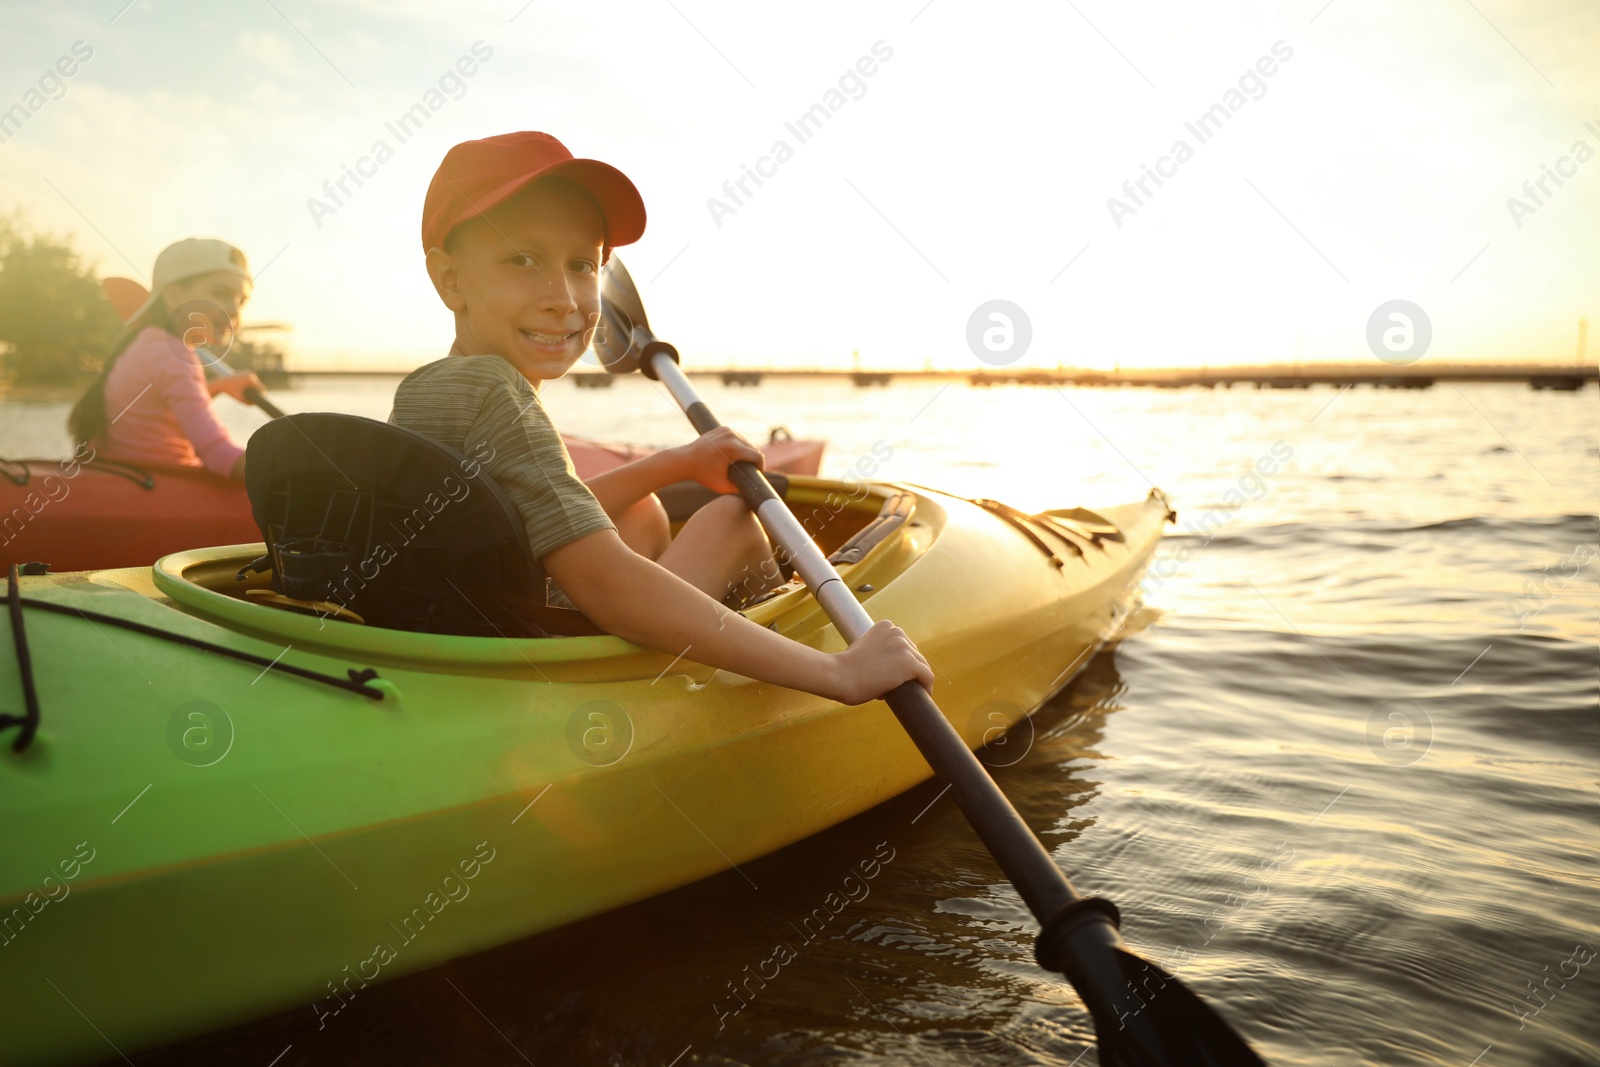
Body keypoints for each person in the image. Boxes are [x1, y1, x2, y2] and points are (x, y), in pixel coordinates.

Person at [390, 131, 932, 705]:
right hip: (561, 668)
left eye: (581, 265)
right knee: (729, 521)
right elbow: (604, 581)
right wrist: (839, 674)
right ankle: (776, 683)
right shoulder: (498, 394)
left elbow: (516, 526)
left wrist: (676, 463)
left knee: (644, 512)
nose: (565, 299)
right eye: (522, 259)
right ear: (450, 279)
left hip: (480, 629)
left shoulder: (430, 390)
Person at [68, 238, 265, 480]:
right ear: (173, 294)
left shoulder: (147, 342)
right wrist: (291, 475)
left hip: (127, 477)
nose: (234, 311)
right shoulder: (176, 356)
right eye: (220, 293)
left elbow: (160, 403)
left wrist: (220, 387)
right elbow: (216, 453)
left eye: (241, 300)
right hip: (165, 481)